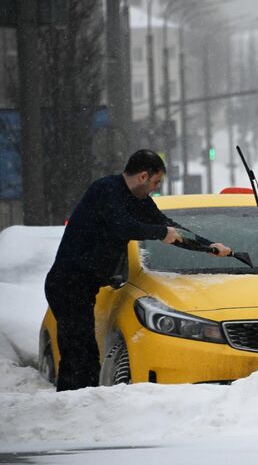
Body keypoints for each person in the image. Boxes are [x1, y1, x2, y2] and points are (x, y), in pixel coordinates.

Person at [44, 149, 232, 392]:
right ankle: (72, 406)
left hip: (83, 287)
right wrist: (160, 233)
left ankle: (79, 404)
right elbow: (121, 226)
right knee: (79, 356)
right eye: (156, 182)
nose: (155, 187)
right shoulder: (106, 190)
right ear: (143, 176)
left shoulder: (139, 200)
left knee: (84, 355)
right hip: (68, 284)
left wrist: (208, 246)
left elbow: (167, 225)